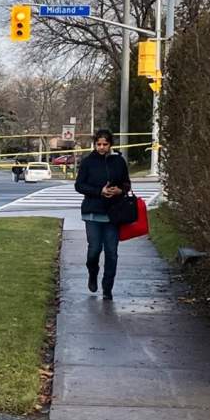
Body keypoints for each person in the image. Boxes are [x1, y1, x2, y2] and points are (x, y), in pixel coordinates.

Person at [75, 128, 131, 300]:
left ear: (110, 145)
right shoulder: (88, 162)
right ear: (94, 144)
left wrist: (119, 190)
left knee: (111, 252)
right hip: (93, 212)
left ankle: (108, 288)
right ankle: (93, 273)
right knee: (94, 250)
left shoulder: (119, 161)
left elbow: (127, 183)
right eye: (98, 144)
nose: (101, 147)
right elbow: (79, 185)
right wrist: (99, 191)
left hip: (113, 214)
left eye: (105, 144)